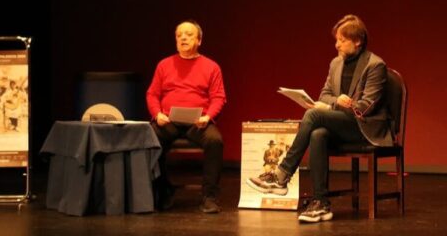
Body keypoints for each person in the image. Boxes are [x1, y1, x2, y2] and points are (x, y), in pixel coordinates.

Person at [248, 14, 393, 223]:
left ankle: (282, 175)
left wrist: (342, 104)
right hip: (342, 122)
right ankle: (321, 203)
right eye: (336, 40)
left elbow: (365, 108)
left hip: (364, 128)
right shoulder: (335, 63)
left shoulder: (375, 65)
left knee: (313, 113)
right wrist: (335, 103)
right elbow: (324, 95)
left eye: (342, 40)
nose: (337, 45)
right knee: (318, 134)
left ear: (358, 41)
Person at [146, 20, 227, 214]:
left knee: (215, 141)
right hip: (169, 120)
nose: (183, 38)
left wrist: (208, 117)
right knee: (150, 138)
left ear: (199, 40)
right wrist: (157, 114)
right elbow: (152, 94)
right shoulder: (164, 65)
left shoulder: (211, 66)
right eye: (179, 35)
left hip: (197, 122)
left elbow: (218, 97)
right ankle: (162, 191)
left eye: (189, 34)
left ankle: (209, 196)